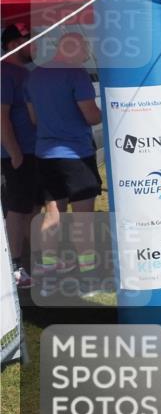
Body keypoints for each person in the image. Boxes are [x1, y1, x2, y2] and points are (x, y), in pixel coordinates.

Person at [24, 32, 102, 296]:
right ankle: (88, 278)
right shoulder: (76, 74)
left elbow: (34, 119)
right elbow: (91, 116)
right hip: (76, 155)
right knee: (83, 221)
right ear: (74, 48)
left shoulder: (34, 76)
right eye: (85, 50)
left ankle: (46, 278)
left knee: (52, 216)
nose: (86, 56)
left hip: (45, 154)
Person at [1, 24, 39, 288]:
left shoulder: (23, 72)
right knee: (17, 208)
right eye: (30, 41)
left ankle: (30, 262)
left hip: (33, 150)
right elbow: (1, 116)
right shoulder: (5, 73)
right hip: (16, 153)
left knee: (32, 207)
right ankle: (15, 267)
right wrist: (14, 151)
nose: (35, 46)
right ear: (14, 45)